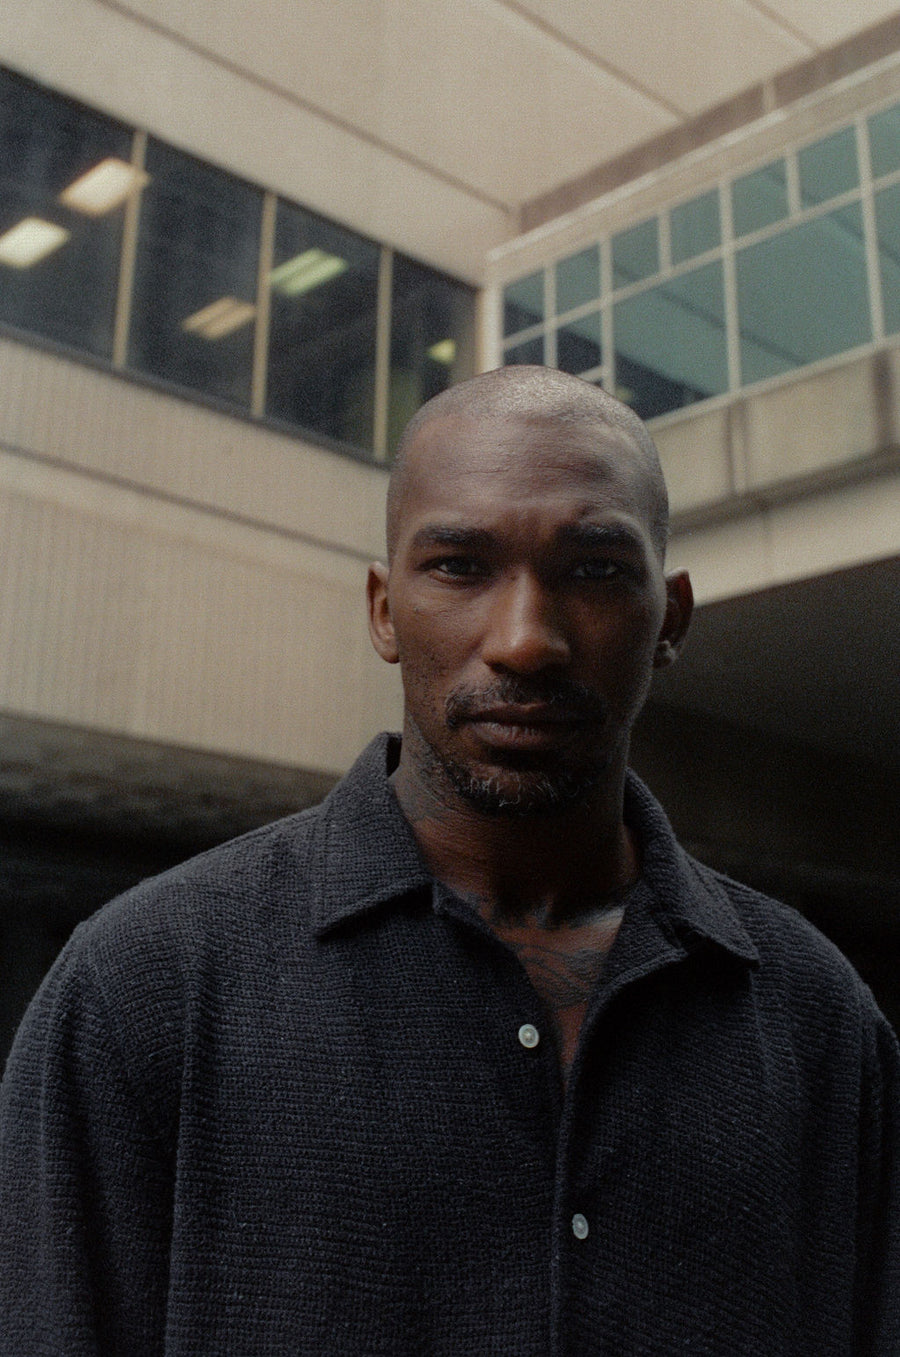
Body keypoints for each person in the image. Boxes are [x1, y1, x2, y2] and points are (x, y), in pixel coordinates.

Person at [1, 365, 898, 1355]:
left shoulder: (822, 1020)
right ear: (385, 610)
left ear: (671, 618)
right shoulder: (143, 987)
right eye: (461, 566)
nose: (525, 642)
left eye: (595, 568)